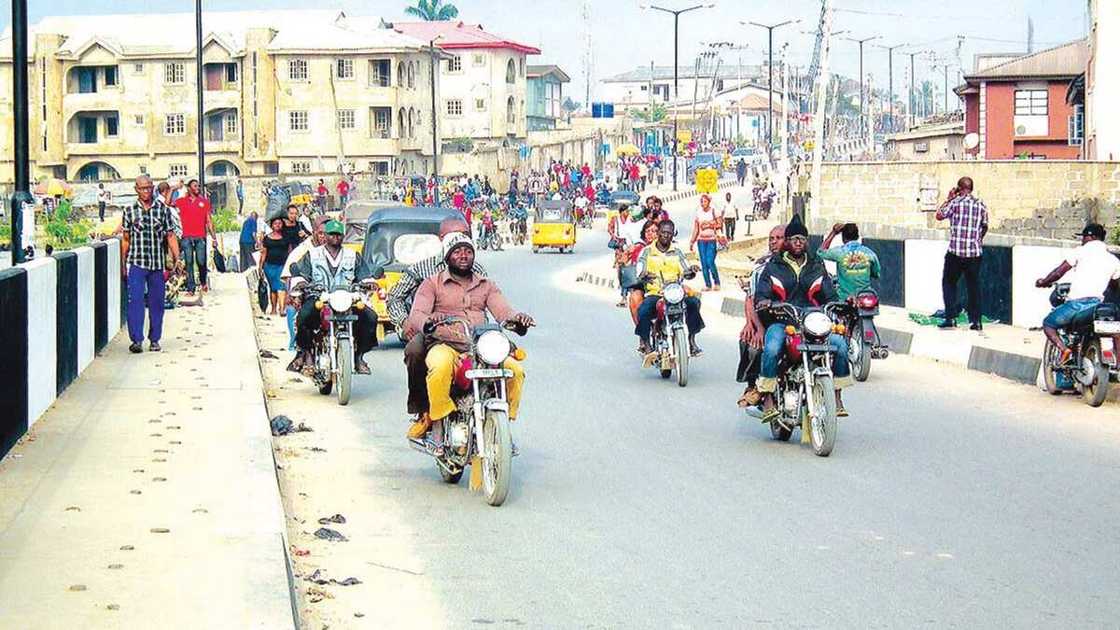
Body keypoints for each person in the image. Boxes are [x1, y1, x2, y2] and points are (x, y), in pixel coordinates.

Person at [403, 233, 533, 439]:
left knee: (514, 371)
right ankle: (436, 420)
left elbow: (503, 312)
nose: (463, 255)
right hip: (445, 343)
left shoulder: (486, 285)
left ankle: (500, 427)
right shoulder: (431, 283)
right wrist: (427, 321)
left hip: (480, 348)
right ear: (447, 257)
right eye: (457, 252)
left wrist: (517, 319)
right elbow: (417, 313)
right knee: (439, 366)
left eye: (468, 251)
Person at [387, 219, 487, 435]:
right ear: (442, 241)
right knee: (414, 351)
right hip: (432, 330)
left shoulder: (476, 268)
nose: (461, 243)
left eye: (465, 236)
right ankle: (423, 411)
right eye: (454, 237)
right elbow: (394, 296)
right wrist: (405, 321)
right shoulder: (423, 268)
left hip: (466, 332)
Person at [754, 215, 851, 418]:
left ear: (807, 241)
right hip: (783, 321)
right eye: (793, 238)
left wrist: (841, 303)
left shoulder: (816, 265)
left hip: (814, 323)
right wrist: (766, 302)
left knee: (841, 345)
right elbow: (761, 295)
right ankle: (768, 396)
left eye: (802, 238)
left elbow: (829, 293)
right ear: (787, 242)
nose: (798, 242)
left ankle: (837, 395)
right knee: (771, 348)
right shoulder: (773, 266)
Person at [288, 220, 380, 374]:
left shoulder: (352, 255)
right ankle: (307, 353)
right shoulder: (312, 254)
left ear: (343, 236)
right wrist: (301, 283)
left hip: (348, 298)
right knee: (303, 317)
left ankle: (359, 356)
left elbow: (364, 274)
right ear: (325, 236)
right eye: (332, 234)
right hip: (319, 297)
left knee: (371, 318)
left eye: (339, 235)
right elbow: (301, 274)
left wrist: (370, 283)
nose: (336, 237)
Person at [1035, 223, 1120, 363]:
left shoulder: (1080, 251)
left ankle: (1064, 349)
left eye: (1084, 237)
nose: (1082, 240)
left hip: (1077, 304)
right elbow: (1115, 285)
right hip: (1097, 305)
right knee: (1115, 331)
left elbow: (1058, 272)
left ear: (1090, 237)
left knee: (1048, 324)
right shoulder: (1113, 260)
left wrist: (1043, 282)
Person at [121, 175, 181, 354]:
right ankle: (136, 340)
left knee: (157, 303)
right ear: (136, 190)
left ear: (153, 188)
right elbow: (126, 239)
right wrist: (123, 263)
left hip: (156, 264)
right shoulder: (129, 211)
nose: (146, 191)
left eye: (148, 188)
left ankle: (154, 339)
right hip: (137, 263)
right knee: (136, 301)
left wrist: (177, 258)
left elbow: (170, 235)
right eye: (142, 188)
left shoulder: (162, 210)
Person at [634, 220, 705, 356]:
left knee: (694, 303)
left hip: (675, 292)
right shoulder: (647, 252)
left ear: (673, 235)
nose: (666, 236)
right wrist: (644, 275)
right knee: (643, 311)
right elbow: (639, 271)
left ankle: (691, 340)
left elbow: (686, 270)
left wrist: (692, 271)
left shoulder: (677, 252)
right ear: (658, 233)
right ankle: (646, 344)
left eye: (669, 233)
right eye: (663, 232)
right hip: (655, 293)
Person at [737, 224, 785, 407]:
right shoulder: (762, 266)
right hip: (768, 319)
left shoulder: (805, 262)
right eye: (771, 239)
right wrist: (754, 325)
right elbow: (751, 298)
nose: (774, 242)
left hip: (798, 319)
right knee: (752, 342)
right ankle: (753, 387)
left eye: (778, 238)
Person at [936, 176, 988, 330]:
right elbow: (985, 226)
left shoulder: (955, 203)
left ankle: (951, 318)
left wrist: (949, 198)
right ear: (971, 188)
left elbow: (939, 215)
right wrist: (978, 240)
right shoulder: (981, 205)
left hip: (956, 253)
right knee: (974, 287)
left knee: (949, 283)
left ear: (959, 188)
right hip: (974, 253)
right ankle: (976, 322)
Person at [281, 216, 329, 351]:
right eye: (321, 233)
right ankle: (302, 352)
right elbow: (288, 276)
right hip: (310, 294)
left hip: (333, 295)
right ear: (313, 232)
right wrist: (297, 294)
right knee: (299, 315)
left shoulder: (337, 250)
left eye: (328, 234)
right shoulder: (302, 251)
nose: (325, 237)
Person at [817, 222, 881, 301]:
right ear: (857, 236)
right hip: (864, 297)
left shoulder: (839, 252)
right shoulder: (870, 253)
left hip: (844, 298)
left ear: (843, 238)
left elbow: (820, 252)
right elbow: (876, 274)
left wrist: (833, 233)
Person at [174, 179, 216, 295]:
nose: (198, 187)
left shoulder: (204, 202)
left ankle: (203, 282)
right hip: (186, 237)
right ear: (189, 188)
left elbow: (209, 220)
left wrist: (214, 238)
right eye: (195, 186)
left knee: (201, 261)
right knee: (189, 262)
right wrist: (174, 188)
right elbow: (167, 203)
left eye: (198, 186)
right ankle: (191, 288)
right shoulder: (182, 201)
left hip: (200, 237)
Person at [689, 193, 724, 291]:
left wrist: (709, 225)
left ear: (709, 202)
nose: (703, 203)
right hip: (701, 241)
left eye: (705, 201)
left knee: (710, 262)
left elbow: (720, 224)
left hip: (712, 240)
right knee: (703, 263)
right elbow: (696, 228)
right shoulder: (698, 213)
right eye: (701, 201)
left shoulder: (714, 211)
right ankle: (708, 284)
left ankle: (717, 282)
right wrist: (692, 241)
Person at [259, 217, 290, 316]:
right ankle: (273, 309)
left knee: (281, 287)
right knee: (273, 288)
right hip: (269, 266)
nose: (277, 225)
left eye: (279, 223)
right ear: (272, 225)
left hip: (282, 266)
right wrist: (260, 266)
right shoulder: (267, 238)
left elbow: (290, 252)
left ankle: (282, 308)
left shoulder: (286, 237)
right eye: (275, 223)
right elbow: (263, 253)